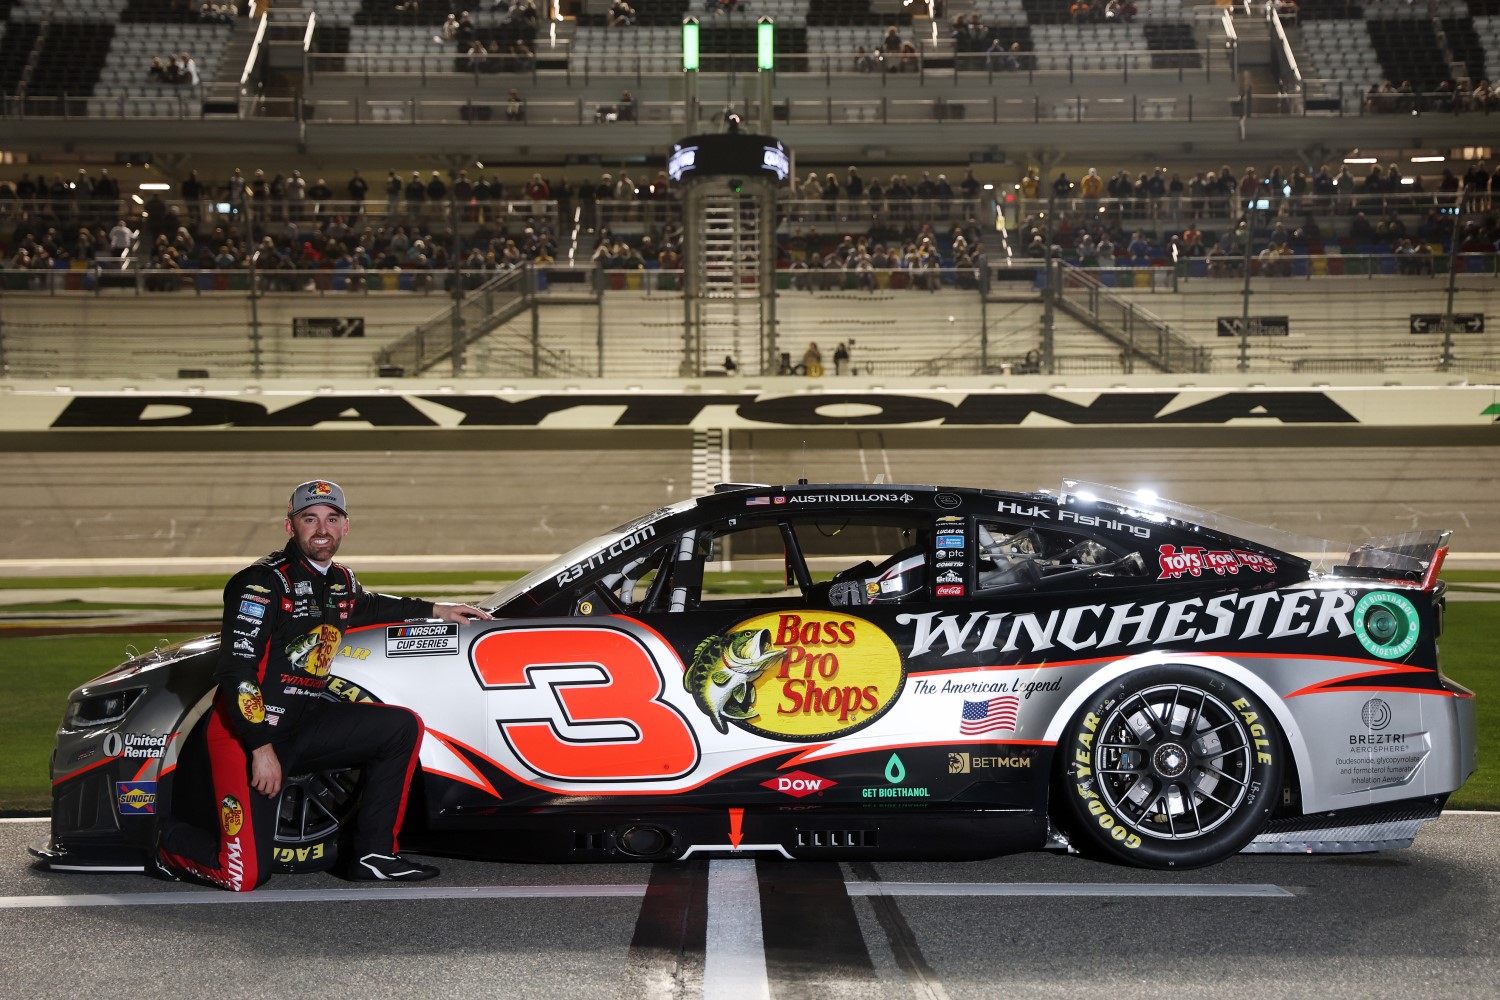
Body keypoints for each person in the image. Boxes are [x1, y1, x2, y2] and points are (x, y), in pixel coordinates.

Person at [156, 480, 493, 891]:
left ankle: (373, 855)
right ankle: (160, 842)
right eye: (310, 519)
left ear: (345, 527)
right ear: (290, 526)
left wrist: (438, 609)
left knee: (401, 727)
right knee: (242, 876)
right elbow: (236, 671)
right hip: (246, 736)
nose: (322, 529)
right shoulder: (260, 583)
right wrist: (260, 748)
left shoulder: (341, 580)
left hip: (304, 724)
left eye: (332, 519)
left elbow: (369, 605)